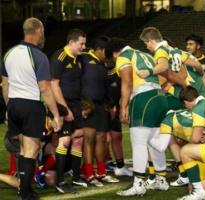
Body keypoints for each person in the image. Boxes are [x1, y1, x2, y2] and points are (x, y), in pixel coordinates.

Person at [1, 17, 62, 200]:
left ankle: (25, 190)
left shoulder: (9, 53)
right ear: (38, 31)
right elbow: (45, 88)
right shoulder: (38, 55)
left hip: (13, 104)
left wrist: (8, 107)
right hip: (31, 105)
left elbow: (5, 86)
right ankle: (25, 193)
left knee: (22, 149)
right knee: (31, 150)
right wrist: (56, 114)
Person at [104, 38, 169, 196]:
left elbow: (127, 82)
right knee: (154, 140)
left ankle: (138, 183)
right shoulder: (143, 54)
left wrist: (123, 106)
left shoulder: (123, 56)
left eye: (113, 58)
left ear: (114, 52)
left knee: (139, 142)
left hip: (143, 97)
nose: (115, 61)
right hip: (159, 96)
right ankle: (161, 179)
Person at [49, 28, 88, 193]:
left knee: (78, 140)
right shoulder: (60, 57)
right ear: (71, 43)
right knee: (64, 142)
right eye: (81, 43)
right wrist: (65, 109)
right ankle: (60, 181)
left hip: (76, 105)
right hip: (63, 106)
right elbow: (53, 84)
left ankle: (77, 178)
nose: (84, 47)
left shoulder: (78, 58)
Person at [80, 35, 119, 185]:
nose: (108, 56)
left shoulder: (103, 65)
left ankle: (102, 172)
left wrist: (110, 105)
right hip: (87, 106)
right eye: (106, 52)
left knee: (102, 139)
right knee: (89, 139)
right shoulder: (83, 58)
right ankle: (89, 174)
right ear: (98, 49)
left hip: (101, 106)